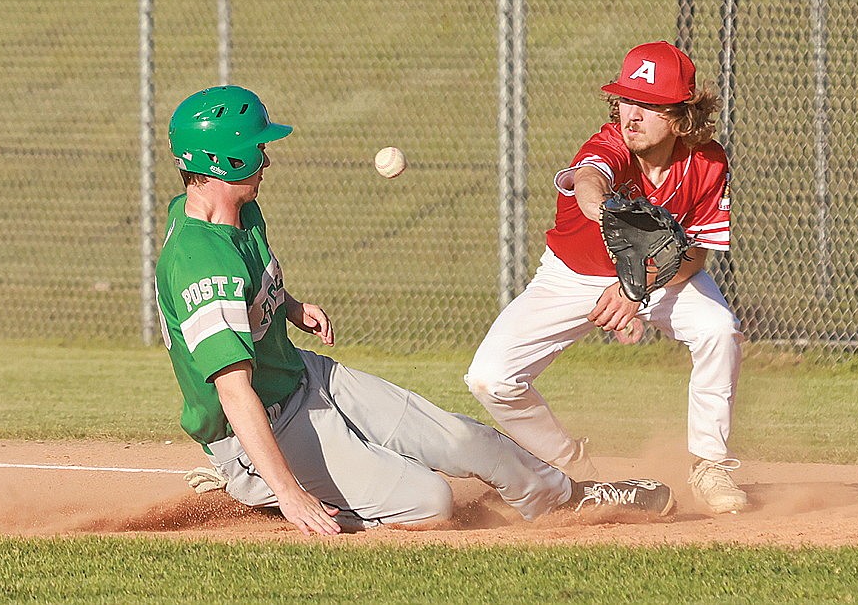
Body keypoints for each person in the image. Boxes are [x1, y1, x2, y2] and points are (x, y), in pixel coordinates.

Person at [155, 85, 676, 536]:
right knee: (431, 503)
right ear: (224, 162)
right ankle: (267, 488)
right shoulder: (202, 263)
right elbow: (232, 390)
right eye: (256, 150)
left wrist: (289, 308)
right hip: (259, 425)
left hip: (305, 377)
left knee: (464, 440)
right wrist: (288, 492)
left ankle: (566, 495)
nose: (266, 161)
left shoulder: (237, 211)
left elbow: (248, 287)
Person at [465, 41, 748, 514]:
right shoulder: (611, 144)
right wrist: (606, 214)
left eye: (649, 106)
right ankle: (571, 465)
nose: (630, 115)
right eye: (625, 101)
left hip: (659, 279)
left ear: (681, 117)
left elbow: (697, 253)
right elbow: (589, 180)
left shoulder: (708, 163)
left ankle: (708, 464)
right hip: (572, 275)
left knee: (718, 329)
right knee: (490, 379)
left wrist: (638, 284)